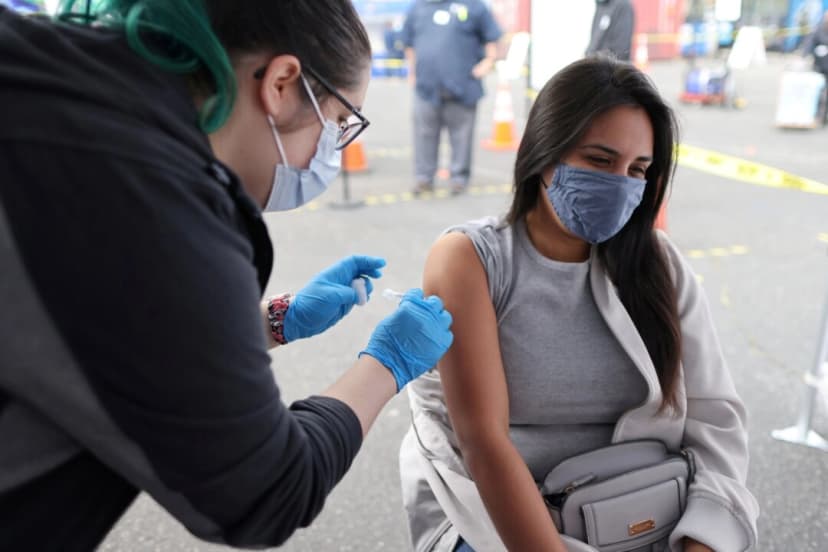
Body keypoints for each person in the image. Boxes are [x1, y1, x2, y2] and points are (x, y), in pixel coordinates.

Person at [0, 1, 454, 549]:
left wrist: (267, 323)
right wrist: (388, 364)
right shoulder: (142, 192)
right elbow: (267, 490)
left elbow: (111, 325)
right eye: (339, 123)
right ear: (282, 83)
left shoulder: (61, 87)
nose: (332, 152)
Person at [399, 56, 759, 552]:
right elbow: (484, 444)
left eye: (638, 169)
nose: (620, 183)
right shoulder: (471, 261)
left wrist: (703, 540)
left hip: (644, 507)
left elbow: (714, 416)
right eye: (599, 160)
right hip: (503, 517)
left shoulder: (659, 264)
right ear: (543, 153)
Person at [401, 0, 501, 196]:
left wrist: (487, 62)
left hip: (463, 86)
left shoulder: (474, 6)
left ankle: (459, 178)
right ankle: (424, 177)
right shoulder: (419, 7)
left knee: (462, 136)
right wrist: (412, 71)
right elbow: (408, 42)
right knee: (424, 134)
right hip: (426, 87)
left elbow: (491, 38)